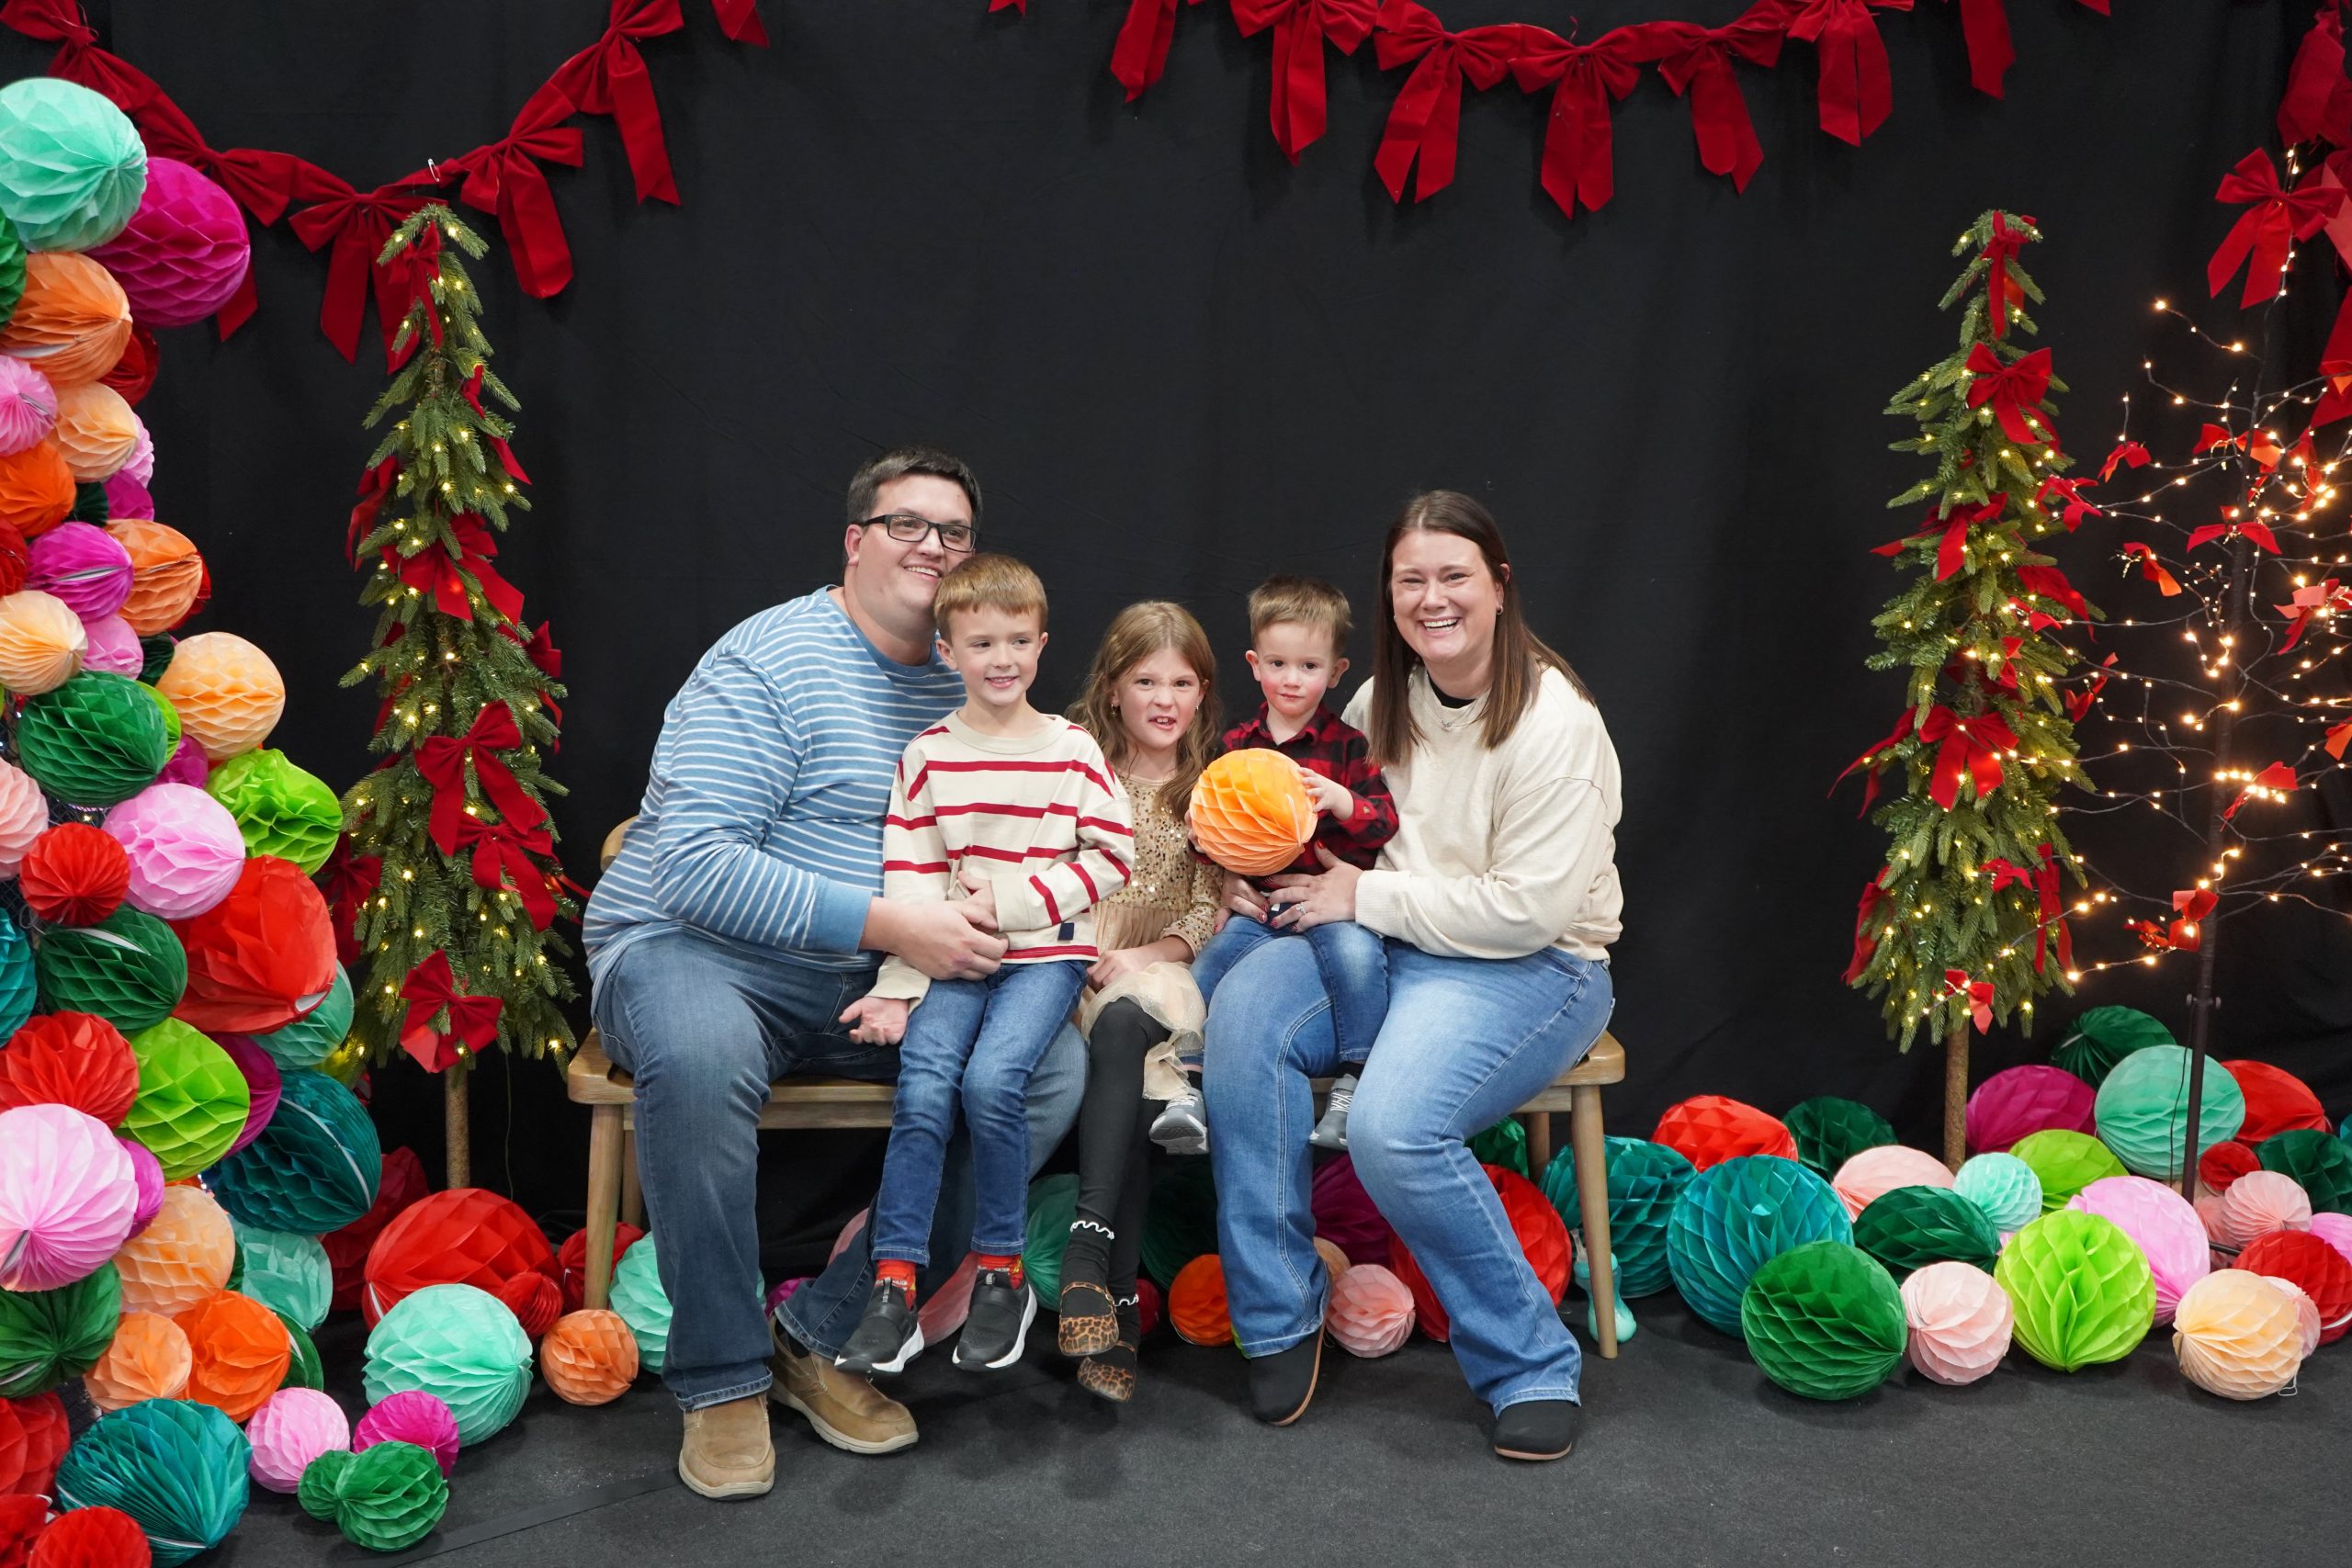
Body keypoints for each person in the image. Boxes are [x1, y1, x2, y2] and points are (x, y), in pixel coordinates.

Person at [582, 449, 1089, 1500]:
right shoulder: (767, 662)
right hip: (699, 954)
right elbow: (694, 867)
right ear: (855, 541)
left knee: (1045, 1070)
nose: (931, 547)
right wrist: (898, 921)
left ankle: (820, 1337)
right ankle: (722, 1379)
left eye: (954, 533)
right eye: (907, 524)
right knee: (700, 1051)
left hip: (884, 980)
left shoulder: (974, 680)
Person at [1202, 491, 1623, 1464]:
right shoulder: (1374, 705)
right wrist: (1244, 862)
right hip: (1387, 938)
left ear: (1499, 585)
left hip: (1531, 964)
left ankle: (1528, 1363)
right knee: (1243, 1019)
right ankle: (1278, 1314)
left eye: (1454, 576)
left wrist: (1365, 897)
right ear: (1389, 596)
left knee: (1392, 1129)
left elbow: (1528, 911)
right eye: (1410, 580)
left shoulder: (1555, 724)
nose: (1433, 598)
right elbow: (1323, 832)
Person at [832, 555, 1134, 1376]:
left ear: (1042, 645)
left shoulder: (1073, 749)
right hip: (954, 959)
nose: (1003, 659)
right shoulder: (928, 755)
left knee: (993, 1080)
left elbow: (1113, 857)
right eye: (982, 643)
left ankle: (1002, 1273)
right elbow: (912, 882)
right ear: (948, 652)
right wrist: (897, 988)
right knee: (924, 1087)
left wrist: (1010, 900)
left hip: (1045, 958)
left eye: (1018, 641)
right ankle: (894, 1287)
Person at [1152, 576, 1396, 1156]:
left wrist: (1343, 801)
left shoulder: (1349, 746)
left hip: (1331, 905)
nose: (1292, 679)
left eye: (1309, 666)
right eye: (1278, 663)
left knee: (1359, 959)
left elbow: (1384, 823)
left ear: (1335, 672)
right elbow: (1216, 838)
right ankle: (1186, 1086)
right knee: (1206, 970)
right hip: (1262, 907)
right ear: (1255, 665)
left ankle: (1355, 1082)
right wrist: (1204, 840)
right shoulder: (1236, 747)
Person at [1054, 602, 1226, 1400]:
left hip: (1162, 968)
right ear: (1112, 687)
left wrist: (1140, 957)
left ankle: (1089, 1252)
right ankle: (1117, 1299)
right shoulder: (1075, 763)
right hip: (1075, 953)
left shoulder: (1211, 784)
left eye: (1182, 683)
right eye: (1146, 681)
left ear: (1202, 692)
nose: (1164, 699)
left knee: (1128, 1025)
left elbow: (1204, 909)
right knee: (1117, 1057)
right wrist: (1082, 946)